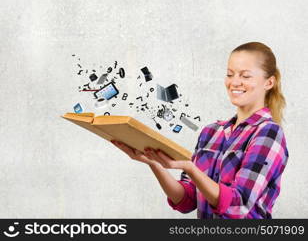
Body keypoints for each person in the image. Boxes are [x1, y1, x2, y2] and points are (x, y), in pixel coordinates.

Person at [111, 41, 289, 219]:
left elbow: (239, 205)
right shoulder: (210, 132)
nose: (234, 82)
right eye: (230, 74)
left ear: (269, 82)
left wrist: (190, 168)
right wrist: (154, 163)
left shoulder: (268, 133)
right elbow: (187, 200)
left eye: (245, 76)